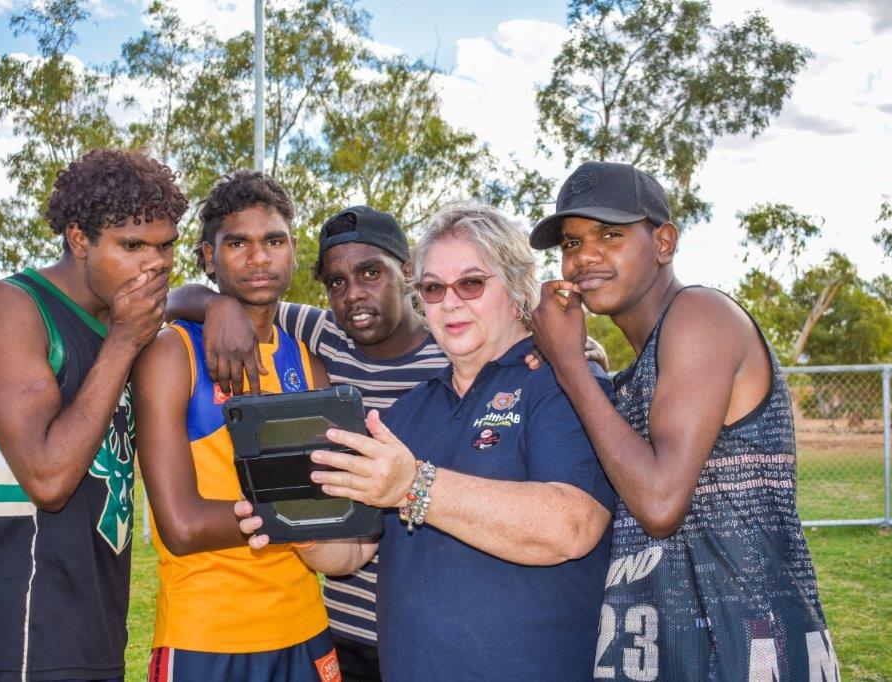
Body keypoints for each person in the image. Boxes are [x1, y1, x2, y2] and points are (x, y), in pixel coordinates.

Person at [167, 205, 610, 681]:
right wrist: (297, 522)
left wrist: (413, 485)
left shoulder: (562, 383)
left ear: (519, 287)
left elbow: (572, 526)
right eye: (435, 288)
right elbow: (353, 550)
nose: (450, 302)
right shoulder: (403, 415)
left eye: (472, 284)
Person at [528, 161, 837, 680]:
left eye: (610, 234)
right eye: (571, 242)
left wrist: (569, 366)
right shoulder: (633, 372)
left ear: (664, 243)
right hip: (665, 648)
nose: (584, 257)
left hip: (745, 645)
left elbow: (660, 503)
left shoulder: (701, 315)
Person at [0, 148, 185, 682]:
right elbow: (47, 477)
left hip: (96, 628)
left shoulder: (129, 326)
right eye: (132, 245)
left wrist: (215, 304)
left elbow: (182, 303)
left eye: (166, 246)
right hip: (11, 637)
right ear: (79, 239)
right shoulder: (5, 307)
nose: (155, 263)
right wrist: (123, 341)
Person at [132, 170, 339, 682]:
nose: (259, 257)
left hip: (306, 627)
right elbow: (182, 528)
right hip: (207, 635)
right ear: (208, 256)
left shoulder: (307, 363)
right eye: (237, 243)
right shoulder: (172, 353)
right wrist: (302, 509)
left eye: (274, 241)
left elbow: (338, 505)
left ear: (292, 250)